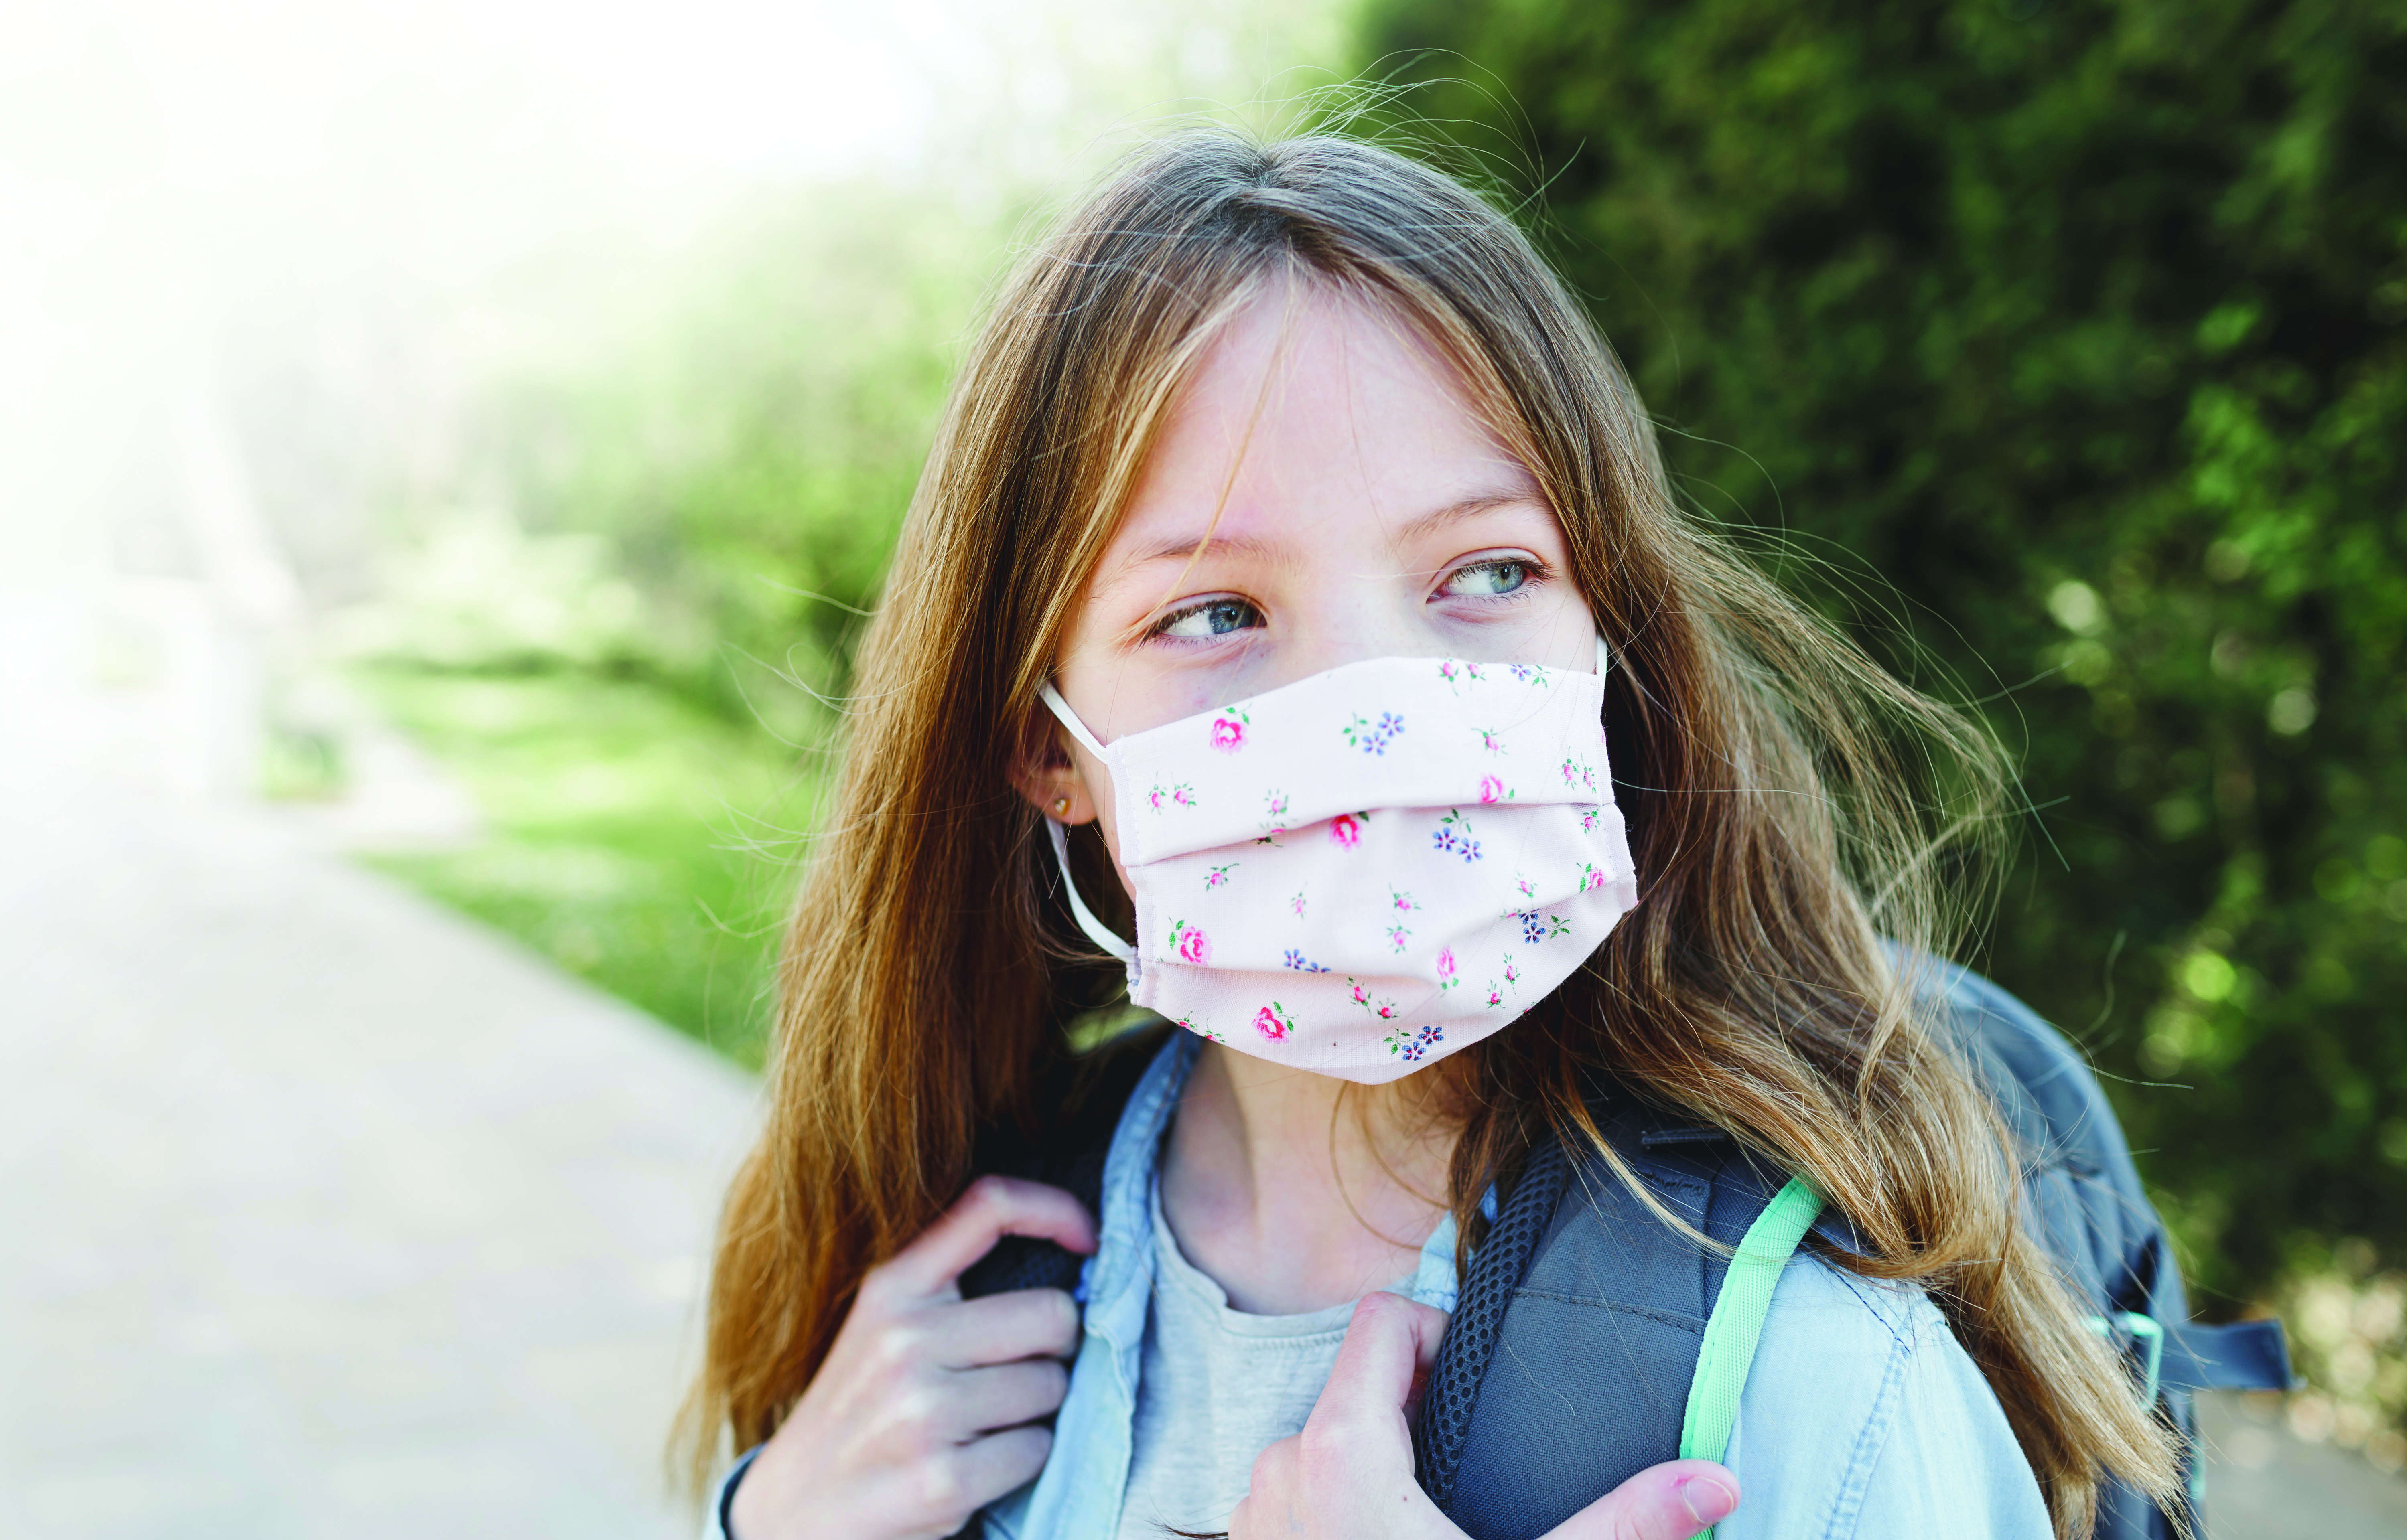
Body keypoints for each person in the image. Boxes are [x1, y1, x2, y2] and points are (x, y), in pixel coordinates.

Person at [679, 130, 2186, 1540]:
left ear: (1608, 631)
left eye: (1482, 574)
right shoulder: (957, 1299)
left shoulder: (1811, 1355)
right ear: (1042, 745)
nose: (1373, 709)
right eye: (1215, 615)